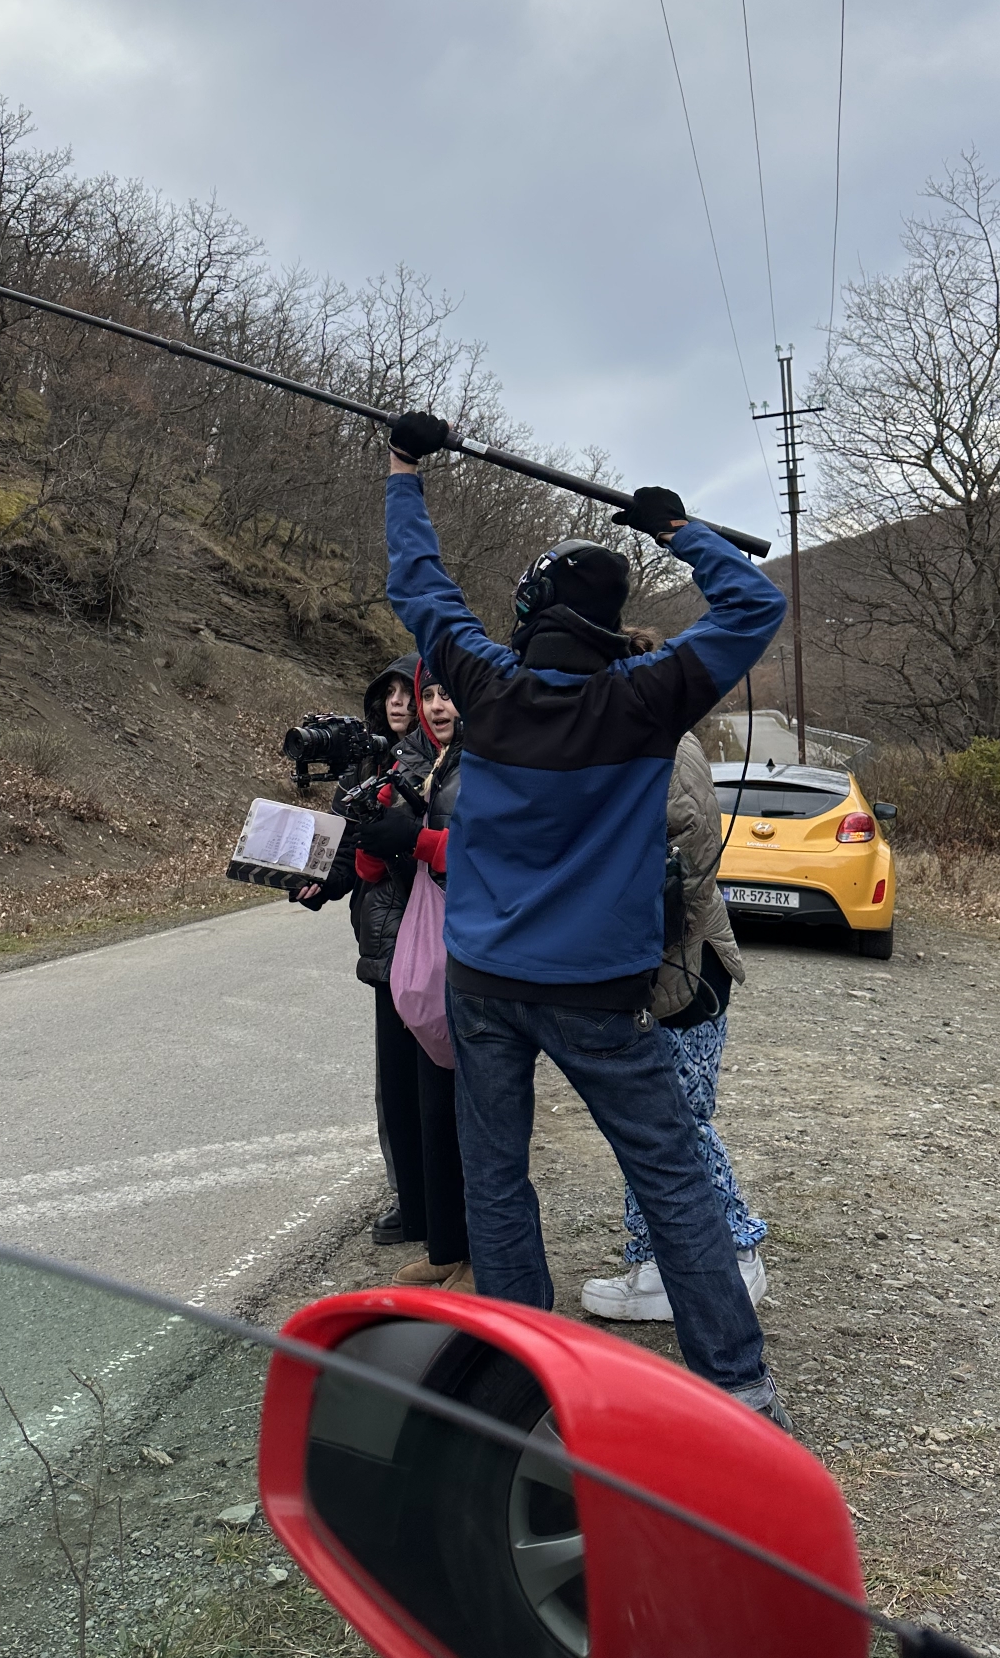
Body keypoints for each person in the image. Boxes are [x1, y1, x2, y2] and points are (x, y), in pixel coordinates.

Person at [382, 408, 791, 1425]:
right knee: (672, 1179)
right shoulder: (647, 697)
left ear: (532, 613)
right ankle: (738, 1388)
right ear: (607, 623)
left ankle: (522, 1387)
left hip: (485, 987)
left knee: (496, 1180)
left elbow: (419, 584)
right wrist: (681, 532)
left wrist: (404, 471)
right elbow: (754, 604)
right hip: (600, 997)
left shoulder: (484, 683)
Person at [581, 720, 769, 1322]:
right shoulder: (618, 736)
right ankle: (656, 1261)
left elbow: (693, 854)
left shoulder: (666, 740)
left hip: (684, 968)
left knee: (677, 1122)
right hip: (654, 967)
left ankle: (736, 1252)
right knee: (648, 1123)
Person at [292, 653, 426, 1245]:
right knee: (393, 1084)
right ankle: (409, 1196)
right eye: (389, 692)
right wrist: (321, 884)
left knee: (436, 1079)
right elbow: (346, 853)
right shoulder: (362, 766)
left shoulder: (441, 760)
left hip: (431, 936)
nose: (398, 702)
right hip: (382, 942)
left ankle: (443, 1200)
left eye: (408, 691)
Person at [363, 664, 472, 1293]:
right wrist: (379, 842)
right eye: (426, 694)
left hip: (475, 956)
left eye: (442, 693)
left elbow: (492, 854)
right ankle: (447, 1247)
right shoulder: (435, 764)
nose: (431, 705)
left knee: (475, 1119)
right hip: (433, 955)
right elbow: (387, 868)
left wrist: (419, 840)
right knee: (435, 1108)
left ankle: (484, 1263)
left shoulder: (488, 758)